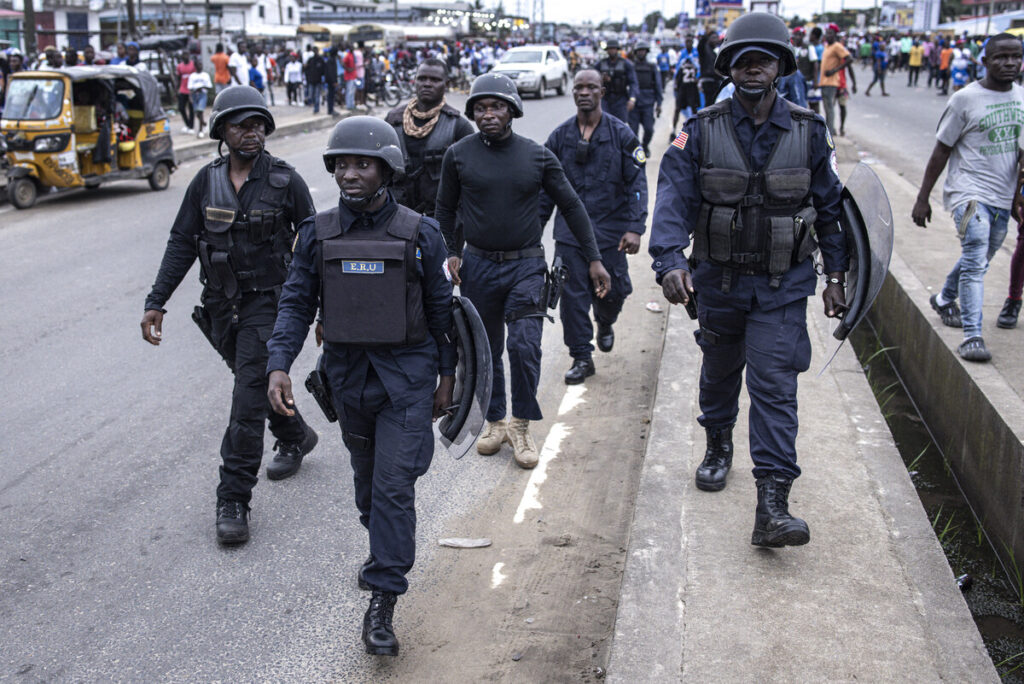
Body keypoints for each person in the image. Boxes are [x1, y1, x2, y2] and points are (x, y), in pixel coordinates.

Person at [649, 12, 848, 548]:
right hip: (717, 283)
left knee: (775, 387)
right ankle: (718, 445)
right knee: (719, 374)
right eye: (743, 58)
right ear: (729, 67)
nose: (753, 65)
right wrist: (669, 260)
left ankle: (773, 504)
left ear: (782, 65)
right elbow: (672, 200)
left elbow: (830, 207)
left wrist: (838, 274)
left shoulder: (808, 130)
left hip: (783, 288)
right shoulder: (700, 129)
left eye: (764, 57)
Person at [265, 115, 454, 657]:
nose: (350, 173)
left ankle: (383, 600)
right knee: (369, 490)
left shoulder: (422, 233)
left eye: (362, 163)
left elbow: (443, 313)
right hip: (350, 383)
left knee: (394, 487)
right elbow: (296, 303)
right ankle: (383, 551)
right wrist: (279, 363)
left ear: (386, 169)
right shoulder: (317, 233)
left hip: (408, 382)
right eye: (341, 163)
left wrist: (448, 376)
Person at [140, 87, 319, 545]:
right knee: (252, 383)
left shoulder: (286, 180)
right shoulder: (206, 180)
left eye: (258, 123)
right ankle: (295, 434)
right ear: (222, 130)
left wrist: (325, 312)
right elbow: (182, 242)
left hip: (270, 306)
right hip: (222, 306)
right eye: (240, 124)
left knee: (245, 402)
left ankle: (233, 498)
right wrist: (156, 300)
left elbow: (316, 247)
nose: (251, 131)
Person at [434, 73, 611, 468]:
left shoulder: (537, 156)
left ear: (512, 110)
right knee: (486, 349)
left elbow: (572, 206)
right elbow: (444, 210)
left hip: (527, 266)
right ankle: (495, 421)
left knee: (525, 346)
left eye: (496, 106)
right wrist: (450, 252)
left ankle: (522, 424)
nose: (488, 114)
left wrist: (595, 257)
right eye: (481, 108)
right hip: (478, 266)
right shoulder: (458, 155)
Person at [911, 33, 1024, 362]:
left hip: (1002, 196)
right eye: (1001, 57)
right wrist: (922, 198)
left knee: (983, 256)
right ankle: (972, 336)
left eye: (1016, 57)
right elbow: (941, 150)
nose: (1010, 63)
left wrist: (1017, 198)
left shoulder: (1021, 98)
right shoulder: (964, 99)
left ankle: (945, 297)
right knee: (976, 257)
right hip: (967, 191)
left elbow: (1021, 156)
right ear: (984, 61)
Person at [541, 69, 647, 384]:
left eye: (591, 87)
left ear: (602, 91)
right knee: (572, 299)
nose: (584, 92)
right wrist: (532, 233)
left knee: (613, 293)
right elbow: (544, 190)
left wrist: (635, 227)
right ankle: (582, 357)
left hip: (612, 234)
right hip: (570, 236)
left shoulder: (622, 134)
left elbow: (636, 183)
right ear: (573, 93)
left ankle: (605, 321)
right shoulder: (559, 138)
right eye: (579, 87)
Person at [385, 58, 474, 217]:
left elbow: (472, 177)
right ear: (414, 81)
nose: (427, 84)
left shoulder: (458, 126)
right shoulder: (393, 120)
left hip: (442, 215)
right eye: (422, 78)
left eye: (435, 80)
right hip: (397, 213)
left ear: (446, 85)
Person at [628, 41, 662, 158]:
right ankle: (637, 152)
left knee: (649, 129)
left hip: (648, 102)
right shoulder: (631, 66)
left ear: (646, 52)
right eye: (639, 51)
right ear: (636, 52)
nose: (641, 52)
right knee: (633, 131)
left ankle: (645, 145)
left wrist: (659, 104)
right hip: (634, 103)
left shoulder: (652, 67)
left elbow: (658, 85)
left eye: (643, 50)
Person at [819, 23, 853, 137]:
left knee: (829, 108)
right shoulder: (827, 46)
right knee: (827, 107)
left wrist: (834, 70)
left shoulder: (837, 46)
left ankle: (829, 132)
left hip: (831, 82)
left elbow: (849, 59)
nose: (827, 35)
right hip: (824, 82)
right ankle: (830, 129)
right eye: (827, 33)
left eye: (830, 33)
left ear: (834, 34)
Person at [595, 38, 639, 123]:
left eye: (614, 49)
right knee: (604, 123)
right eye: (610, 49)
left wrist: (632, 99)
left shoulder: (626, 64)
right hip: (605, 98)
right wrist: (600, 78)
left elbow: (633, 83)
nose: (612, 51)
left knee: (620, 125)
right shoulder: (600, 64)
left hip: (621, 98)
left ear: (617, 50)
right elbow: (591, 77)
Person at [672, 40, 701, 138]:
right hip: (683, 88)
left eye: (690, 41)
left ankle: (696, 131)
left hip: (692, 88)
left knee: (694, 110)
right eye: (687, 42)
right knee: (677, 109)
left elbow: (699, 71)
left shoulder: (696, 56)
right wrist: (676, 86)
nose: (688, 44)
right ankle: (673, 131)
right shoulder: (682, 57)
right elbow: (677, 74)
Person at [187, 58, 212, 137]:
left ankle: (200, 131)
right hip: (195, 95)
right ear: (195, 66)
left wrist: (202, 87)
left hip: (202, 94)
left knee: (200, 111)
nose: (200, 66)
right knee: (197, 113)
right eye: (198, 64)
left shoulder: (205, 75)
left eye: (201, 64)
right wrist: (190, 96)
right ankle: (204, 123)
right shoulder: (192, 76)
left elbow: (209, 86)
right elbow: (190, 87)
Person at [176, 52, 196, 134]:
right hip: (183, 90)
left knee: (191, 109)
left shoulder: (193, 65)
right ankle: (187, 124)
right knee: (181, 108)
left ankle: (191, 126)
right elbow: (178, 78)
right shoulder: (179, 66)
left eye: (187, 55)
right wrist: (176, 90)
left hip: (191, 90)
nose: (185, 56)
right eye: (184, 55)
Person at [304, 46, 326, 114]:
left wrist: (323, 79)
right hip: (311, 80)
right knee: (311, 95)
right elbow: (306, 68)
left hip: (318, 81)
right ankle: (313, 105)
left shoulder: (320, 60)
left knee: (317, 95)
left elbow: (324, 70)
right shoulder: (310, 59)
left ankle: (316, 109)